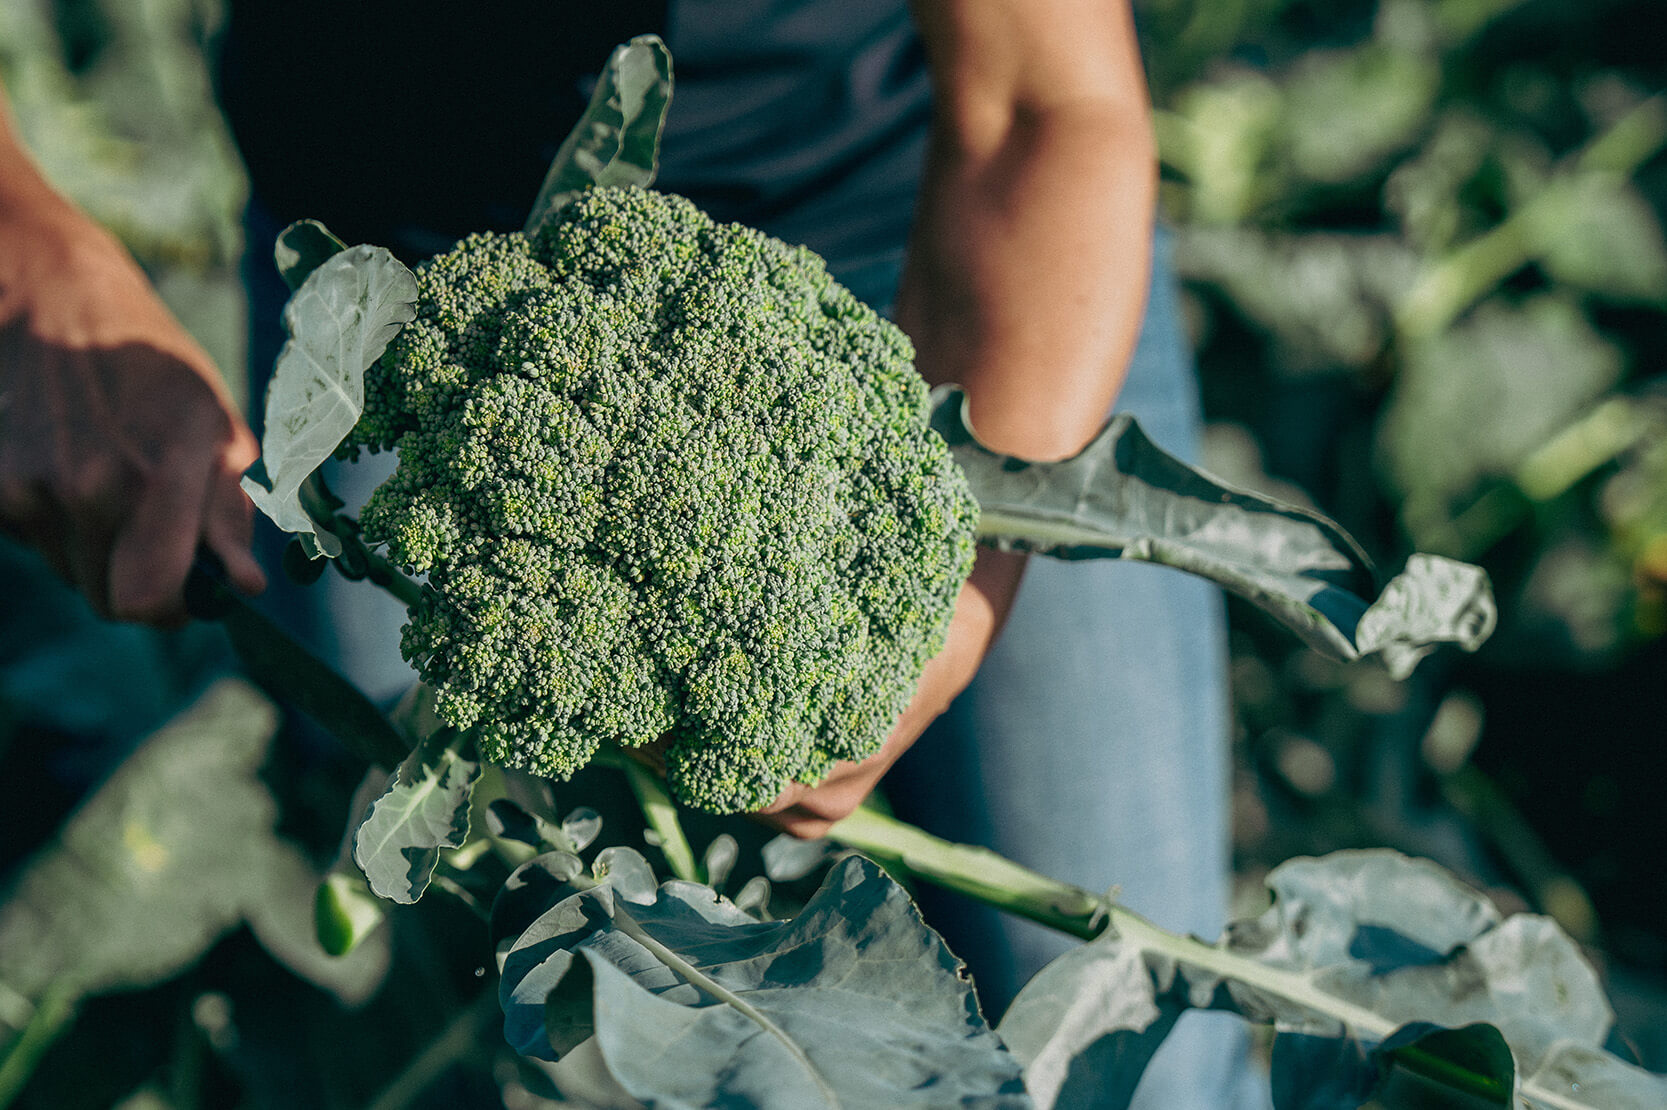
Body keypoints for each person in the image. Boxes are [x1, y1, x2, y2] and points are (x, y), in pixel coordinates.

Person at [1, 3, 1258, 1103]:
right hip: (432, 353)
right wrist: (27, 265)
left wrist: (942, 597)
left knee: (1139, 1068)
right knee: (455, 1008)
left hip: (924, 254)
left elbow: (1052, 97)